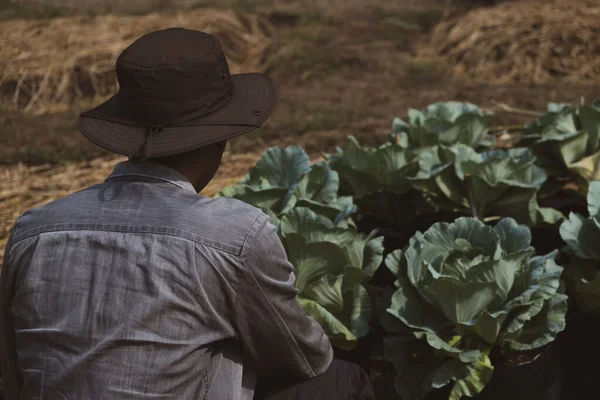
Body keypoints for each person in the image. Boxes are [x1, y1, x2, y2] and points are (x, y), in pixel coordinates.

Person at [0, 28, 375, 400]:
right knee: (343, 379)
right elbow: (305, 358)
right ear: (220, 136)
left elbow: (14, 372)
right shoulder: (235, 235)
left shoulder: (32, 230)